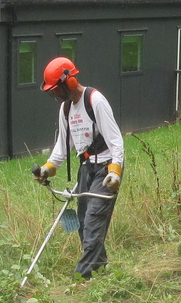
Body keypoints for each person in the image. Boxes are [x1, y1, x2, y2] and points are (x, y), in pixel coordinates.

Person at [31, 57, 124, 279]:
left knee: (93, 221)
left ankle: (81, 278)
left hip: (105, 168)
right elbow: (62, 147)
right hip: (86, 168)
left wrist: (115, 171)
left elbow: (116, 140)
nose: (55, 94)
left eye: (56, 89)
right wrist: (47, 168)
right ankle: (100, 270)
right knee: (83, 223)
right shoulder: (65, 109)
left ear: (69, 82)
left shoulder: (95, 100)